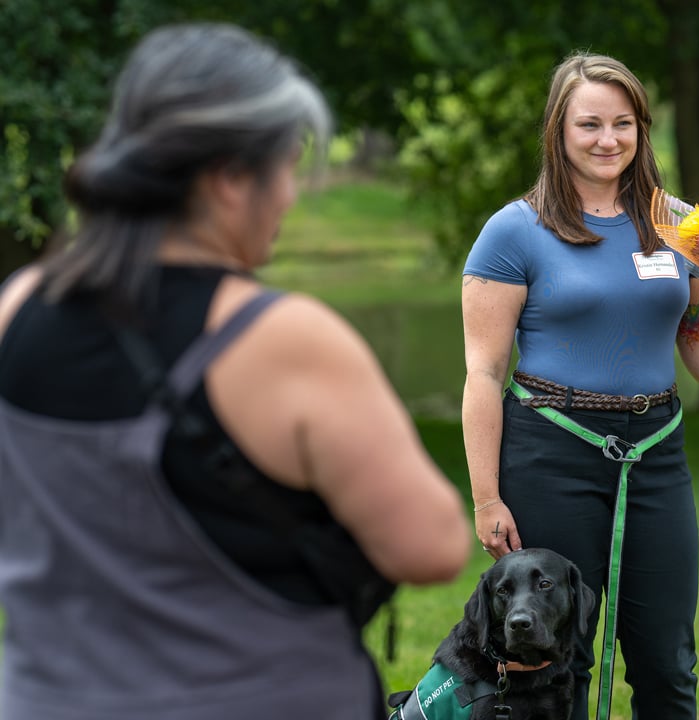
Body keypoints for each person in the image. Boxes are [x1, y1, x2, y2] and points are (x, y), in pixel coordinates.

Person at [0, 23, 472, 720]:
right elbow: (431, 546)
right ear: (228, 178)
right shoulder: (281, 339)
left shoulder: (16, 309)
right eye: (286, 166)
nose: (289, 196)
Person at [460, 51, 699, 719]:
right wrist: (487, 497)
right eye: (589, 124)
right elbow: (483, 374)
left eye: (623, 123)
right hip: (550, 453)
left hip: (656, 454)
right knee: (553, 663)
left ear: (641, 129)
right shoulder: (512, 233)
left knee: (666, 660)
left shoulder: (680, 227)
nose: (608, 140)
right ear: (558, 131)